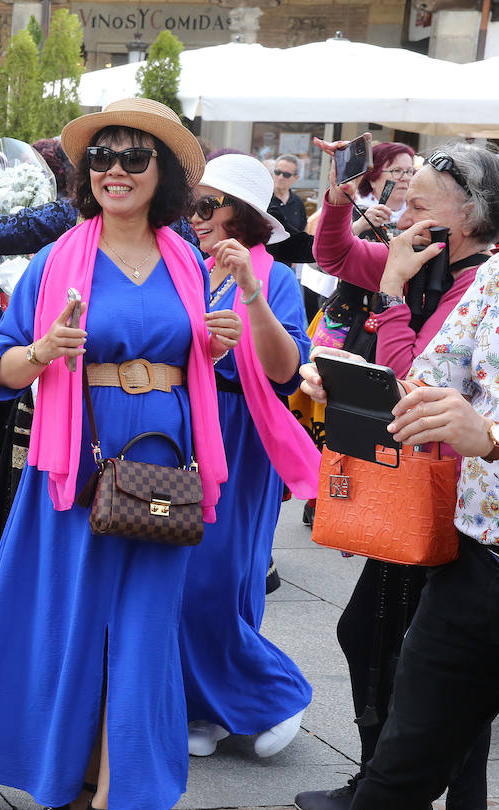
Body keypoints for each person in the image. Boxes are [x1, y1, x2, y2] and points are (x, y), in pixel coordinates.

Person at [0, 98, 239, 809]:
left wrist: (212, 343)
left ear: (160, 173)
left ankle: (120, 784)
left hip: (163, 460)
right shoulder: (54, 260)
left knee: (142, 627)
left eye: (135, 157)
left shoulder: (187, 261)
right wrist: (43, 351)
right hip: (76, 463)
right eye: (102, 157)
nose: (115, 171)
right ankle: (72, 770)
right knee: (74, 622)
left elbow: (198, 363)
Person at [291, 141, 499, 810]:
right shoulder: (477, 280)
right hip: (464, 526)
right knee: (426, 693)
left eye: (418, 203)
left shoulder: (467, 276)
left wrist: (490, 438)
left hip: (445, 499)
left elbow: (418, 378)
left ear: (467, 215)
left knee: (432, 689)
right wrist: (351, 388)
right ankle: (376, 783)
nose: (401, 213)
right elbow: (417, 383)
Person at [177, 154, 316, 760]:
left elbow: (286, 372)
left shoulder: (276, 278)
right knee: (174, 579)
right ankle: (200, 707)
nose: (196, 216)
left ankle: (274, 693)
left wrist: (254, 298)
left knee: (220, 579)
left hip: (239, 434)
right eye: (195, 204)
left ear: (245, 216)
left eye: (210, 205)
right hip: (179, 427)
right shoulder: (183, 263)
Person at [353, 141, 415, 235]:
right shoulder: (352, 213)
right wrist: (358, 226)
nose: (406, 178)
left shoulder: (421, 214)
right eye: (397, 171)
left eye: (410, 171)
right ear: (373, 178)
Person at [269, 153, 307, 233]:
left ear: (296, 178)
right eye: (277, 172)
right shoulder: (263, 198)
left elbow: (302, 231)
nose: (280, 177)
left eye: (286, 175)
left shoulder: (298, 202)